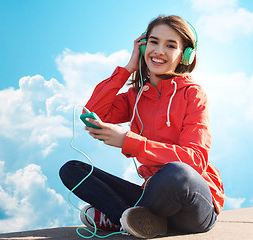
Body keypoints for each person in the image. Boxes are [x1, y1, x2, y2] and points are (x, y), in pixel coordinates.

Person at [59, 15, 225, 239]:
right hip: (152, 197)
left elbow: (194, 160)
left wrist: (128, 141)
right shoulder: (135, 97)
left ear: (185, 55)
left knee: (177, 172)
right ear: (144, 45)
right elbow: (95, 112)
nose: (159, 51)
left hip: (191, 203)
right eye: (154, 42)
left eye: (170, 45)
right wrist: (128, 68)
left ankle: (118, 217)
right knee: (72, 170)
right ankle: (128, 218)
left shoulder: (193, 93)